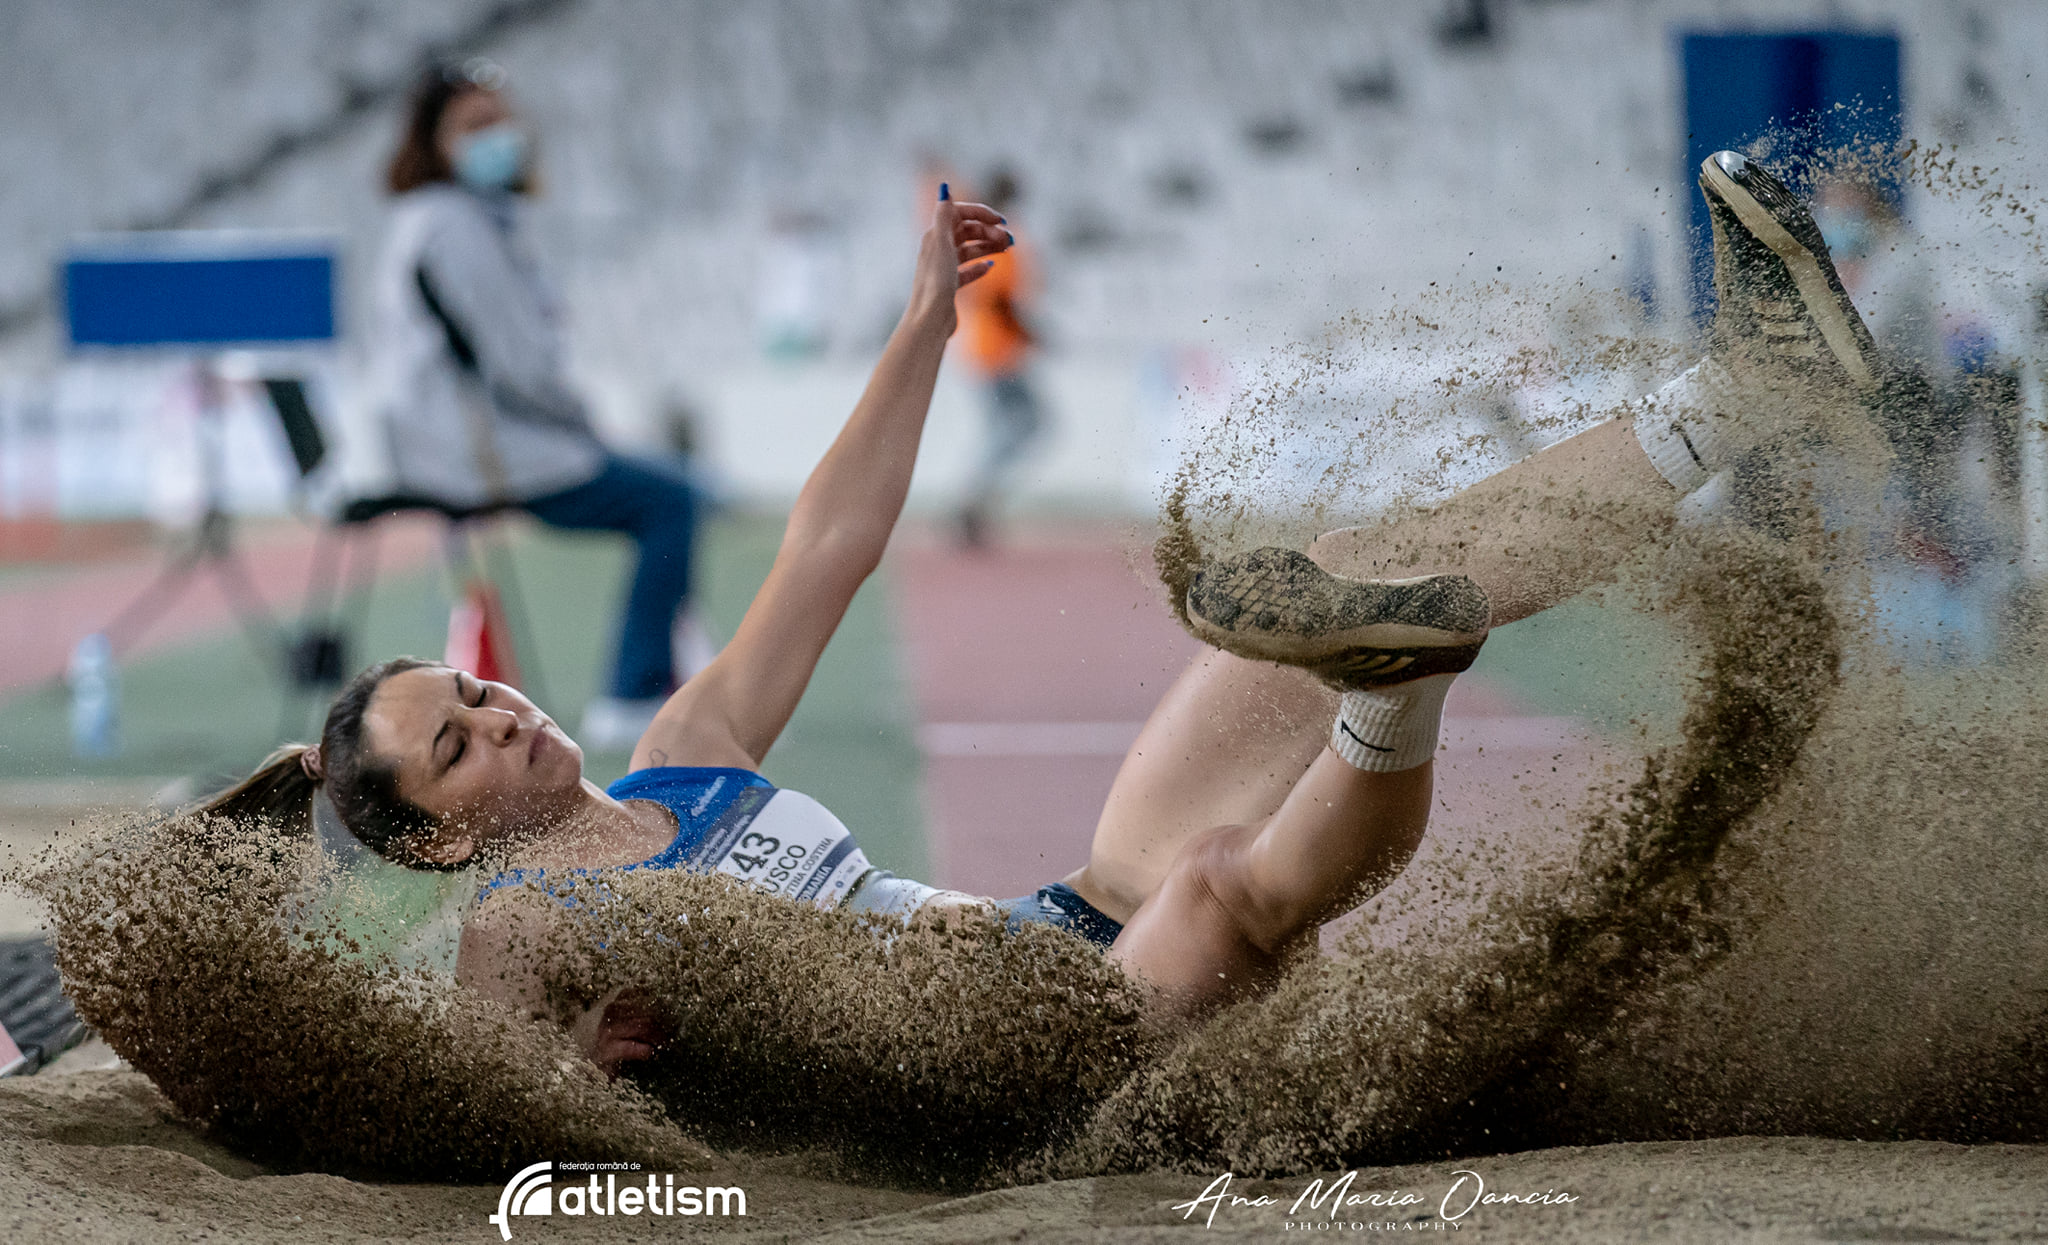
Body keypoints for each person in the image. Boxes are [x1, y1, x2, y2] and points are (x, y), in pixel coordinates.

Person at [209, 152, 1873, 1074]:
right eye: (460, 742)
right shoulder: (509, 929)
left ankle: (1737, 395)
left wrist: (925, 324)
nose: (506, 716)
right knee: (1222, 891)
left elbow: (828, 547)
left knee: (1324, 588)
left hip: (1059, 933)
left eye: (481, 698)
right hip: (1012, 1084)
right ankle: (1395, 696)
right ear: (431, 842)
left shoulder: (680, 761)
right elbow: (504, 1125)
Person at [367, 57, 705, 749]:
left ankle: (658, 675)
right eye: (474, 125)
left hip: (469, 440)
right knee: (672, 500)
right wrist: (586, 427)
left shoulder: (444, 218)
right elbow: (520, 364)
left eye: (500, 118)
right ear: (434, 142)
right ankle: (633, 690)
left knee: (665, 491)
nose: (498, 135)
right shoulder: (452, 225)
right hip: (478, 452)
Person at [952, 167, 1049, 546]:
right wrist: (1031, 334)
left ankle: (975, 503)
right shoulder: (999, 237)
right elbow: (1000, 301)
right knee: (1026, 424)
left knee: (1010, 427)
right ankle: (972, 499)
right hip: (997, 353)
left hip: (984, 349)